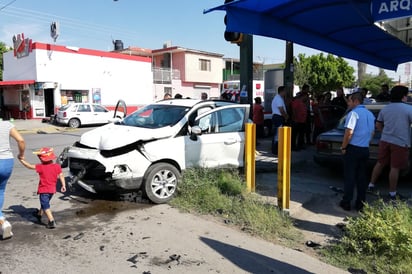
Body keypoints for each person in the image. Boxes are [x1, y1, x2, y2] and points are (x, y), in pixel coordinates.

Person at [367, 85, 412, 200]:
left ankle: (371, 185)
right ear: (403, 96)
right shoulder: (408, 109)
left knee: (380, 163)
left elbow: (378, 124)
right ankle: (392, 193)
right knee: (395, 167)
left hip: (385, 140)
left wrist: (386, 132)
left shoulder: (385, 108)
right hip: (400, 142)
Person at [339, 92, 375, 211]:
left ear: (355, 101)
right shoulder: (370, 114)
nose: (348, 103)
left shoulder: (353, 114)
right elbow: (372, 133)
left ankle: (347, 202)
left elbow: (349, 132)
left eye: (349, 101)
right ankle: (360, 204)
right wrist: (366, 143)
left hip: (353, 148)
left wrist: (344, 147)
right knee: (362, 178)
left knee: (350, 177)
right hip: (364, 149)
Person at [19, 147, 66, 229]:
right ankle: (39, 214)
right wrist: (63, 185)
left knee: (45, 205)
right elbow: (61, 175)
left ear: (42, 159)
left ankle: (51, 221)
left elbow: (29, 166)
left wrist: (22, 160)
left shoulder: (40, 167)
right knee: (44, 203)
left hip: (44, 190)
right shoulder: (57, 166)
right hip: (52, 190)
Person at [0, 120, 25, 239]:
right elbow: (20, 140)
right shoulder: (6, 125)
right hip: (6, 162)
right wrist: (21, 155)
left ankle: (2, 221)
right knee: (0, 190)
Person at [271, 86, 289, 155]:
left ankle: (276, 149)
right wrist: (286, 116)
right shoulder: (278, 99)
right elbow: (281, 109)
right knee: (277, 134)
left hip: (277, 117)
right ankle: (275, 150)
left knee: (277, 134)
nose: (286, 92)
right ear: (282, 91)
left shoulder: (279, 98)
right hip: (278, 117)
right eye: (285, 91)